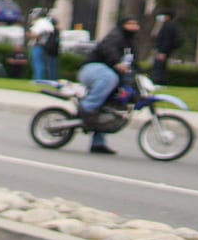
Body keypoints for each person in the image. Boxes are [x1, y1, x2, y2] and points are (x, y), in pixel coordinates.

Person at [79, 17, 140, 155]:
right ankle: (87, 107)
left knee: (109, 105)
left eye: (136, 24)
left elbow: (134, 62)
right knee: (109, 77)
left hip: (110, 76)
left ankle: (98, 143)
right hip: (93, 70)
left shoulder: (131, 43)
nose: (134, 26)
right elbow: (107, 49)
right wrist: (116, 63)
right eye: (130, 23)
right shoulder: (115, 36)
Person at [150, 10, 184, 87]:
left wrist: (162, 52)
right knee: (160, 66)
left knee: (159, 67)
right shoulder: (167, 25)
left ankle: (158, 82)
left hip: (163, 51)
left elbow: (166, 40)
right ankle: (159, 82)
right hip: (164, 51)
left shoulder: (167, 26)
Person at [29, 13, 60, 83]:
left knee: (39, 64)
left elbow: (36, 35)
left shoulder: (42, 24)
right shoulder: (49, 27)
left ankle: (38, 79)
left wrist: (30, 35)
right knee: (42, 64)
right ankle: (39, 79)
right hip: (44, 47)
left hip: (38, 46)